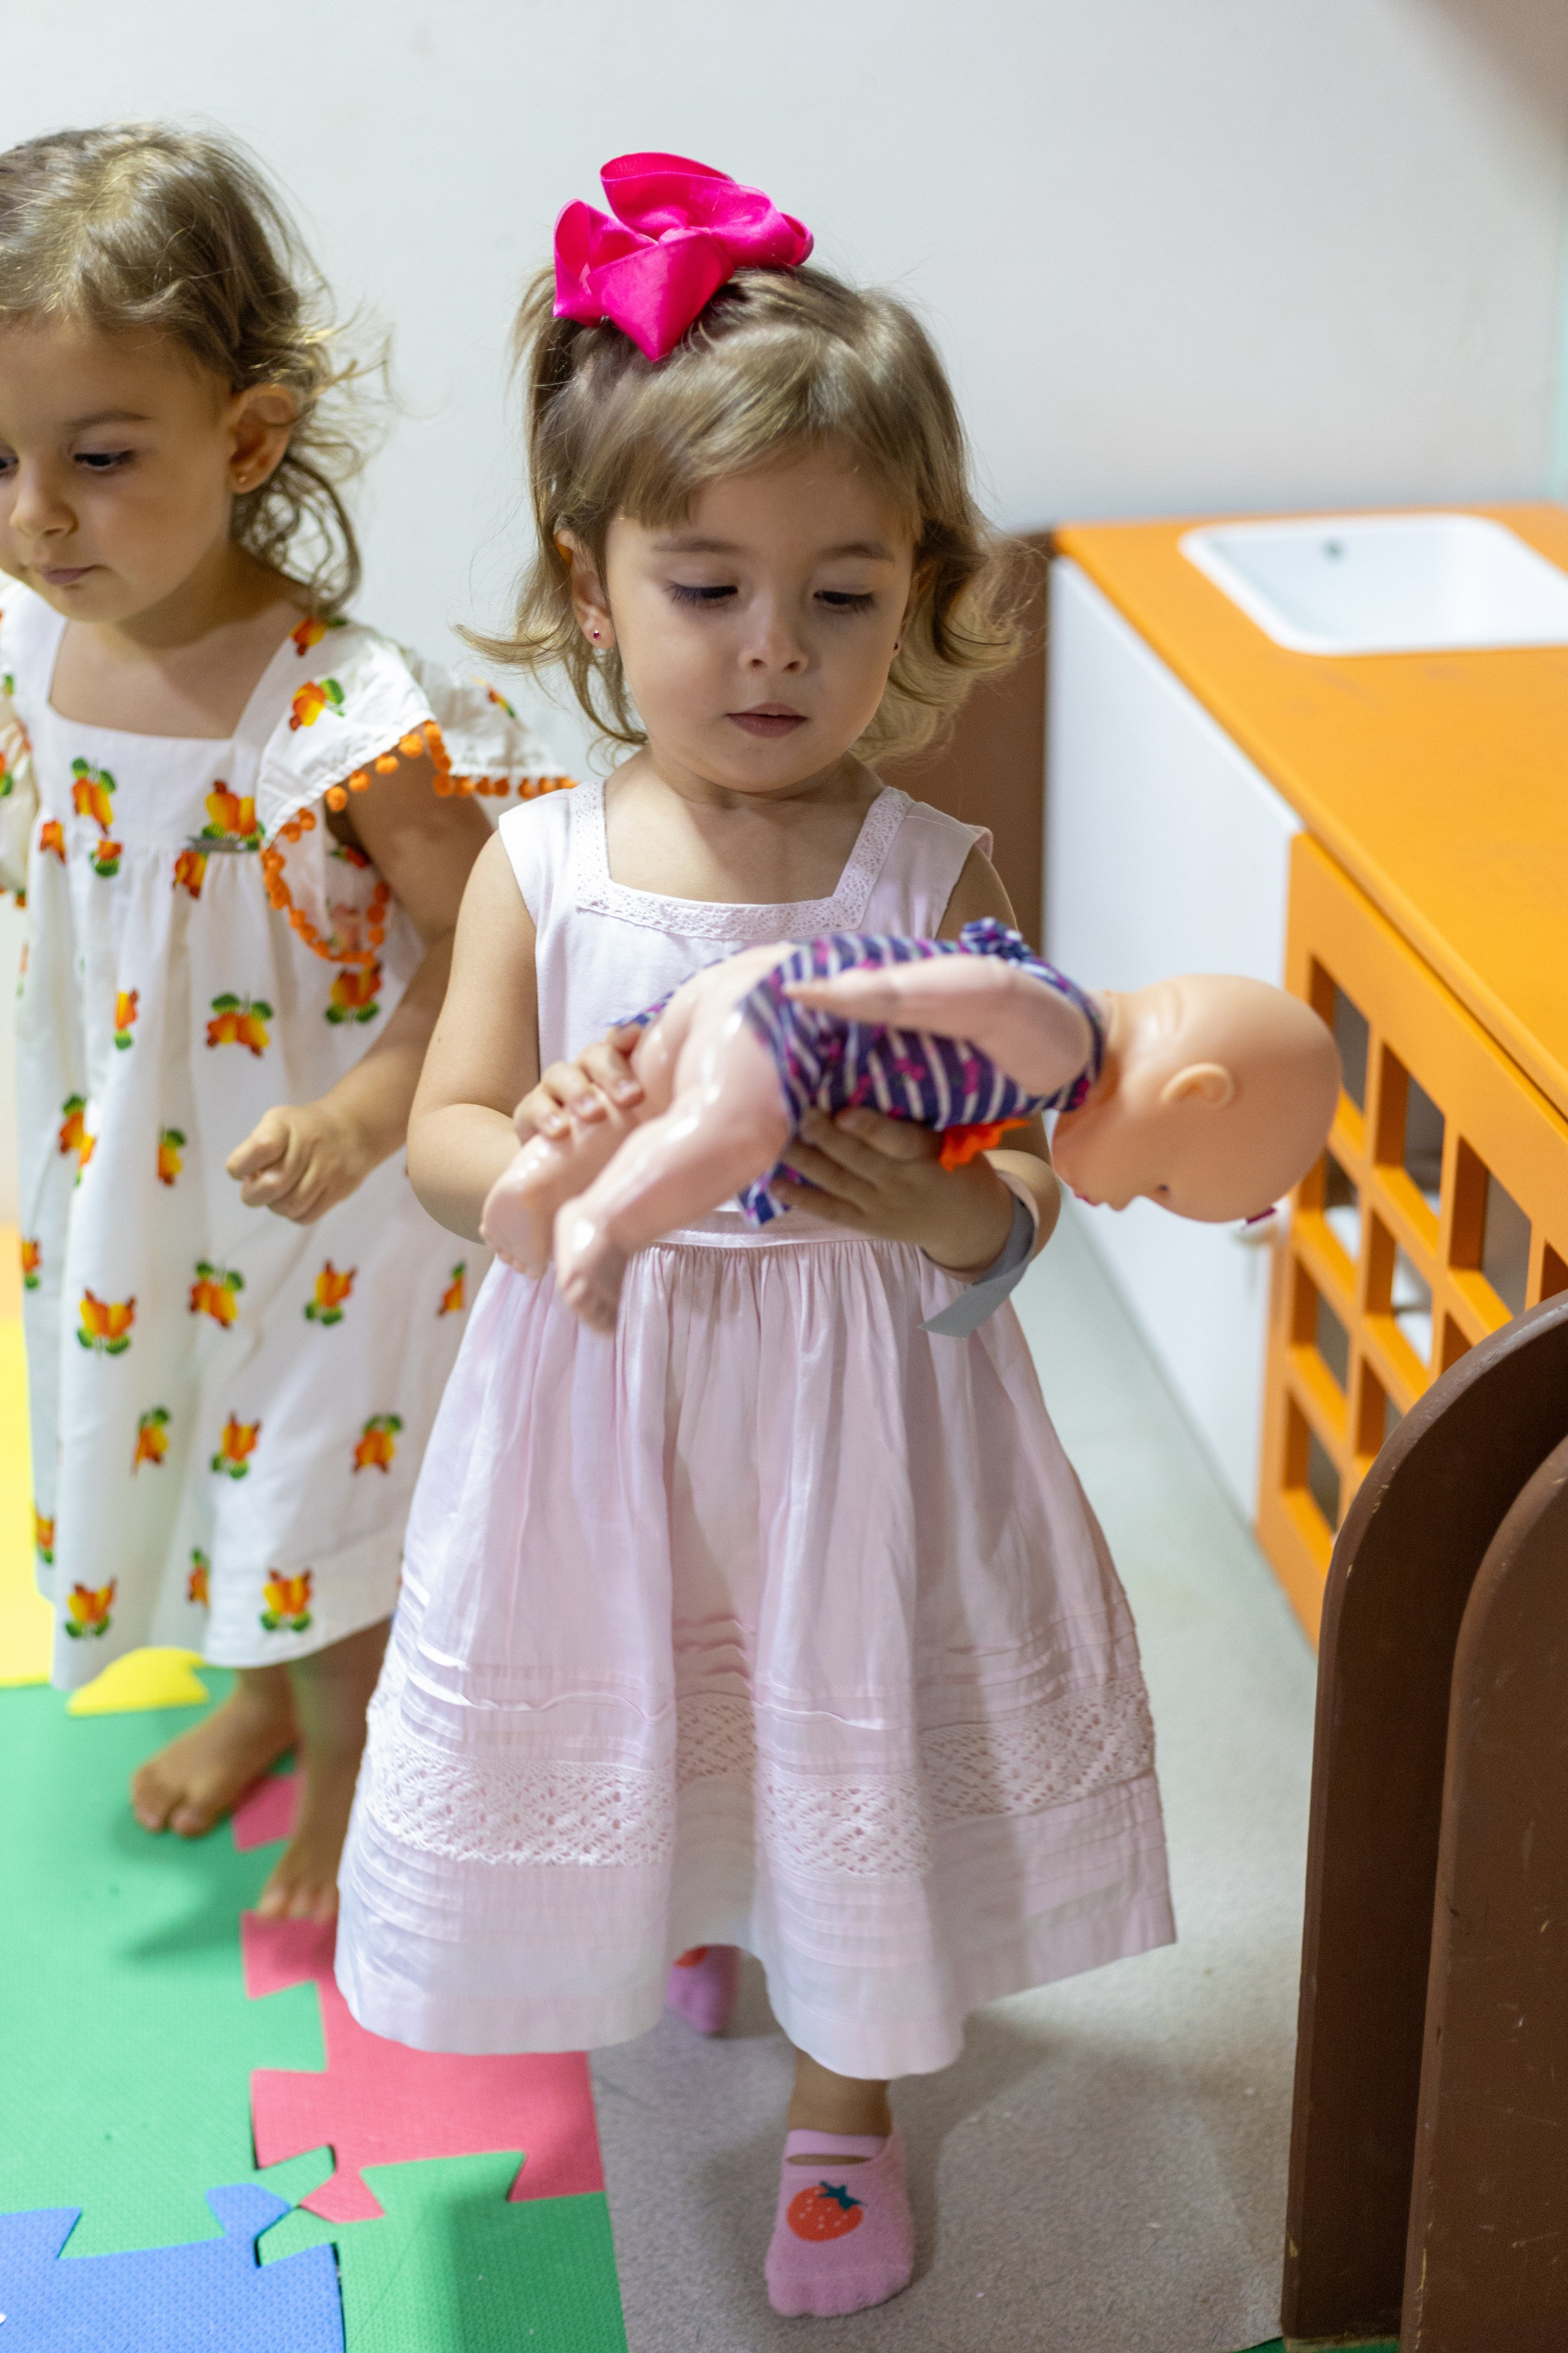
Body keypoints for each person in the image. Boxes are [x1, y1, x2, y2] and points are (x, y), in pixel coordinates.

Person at [335, 152, 1175, 2318]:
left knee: (847, 1729)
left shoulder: (928, 873)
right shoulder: (545, 869)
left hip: (859, 1434)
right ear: (590, 588)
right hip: (606, 1409)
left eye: (844, 591)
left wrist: (953, 1209)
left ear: (924, 594)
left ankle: (840, 2115)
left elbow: (1022, 1194)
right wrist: (530, 1143)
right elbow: (438, 1141)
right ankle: (705, 1902)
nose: (777, 650)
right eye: (708, 586)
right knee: (677, 1713)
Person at [0, 123, 566, 1921]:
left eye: (96, 459)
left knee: (315, 1499)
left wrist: (365, 1115)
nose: (35, 516)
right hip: (130, 1180)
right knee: (183, 1449)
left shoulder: (344, 718)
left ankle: (350, 1759)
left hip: (332, 1202)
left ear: (245, 439)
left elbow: (496, 947)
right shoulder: (32, 647)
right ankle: (258, 1703)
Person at [478, 921, 1340, 1329]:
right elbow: (983, 994)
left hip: (754, 991)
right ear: (1194, 1092)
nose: (1119, 1203)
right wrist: (864, 996)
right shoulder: (1065, 1041)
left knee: (639, 1093)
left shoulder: (1048, 1055)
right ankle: (603, 1218)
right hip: (803, 1023)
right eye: (1159, 1184)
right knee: (719, 1130)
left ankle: (542, 1177)